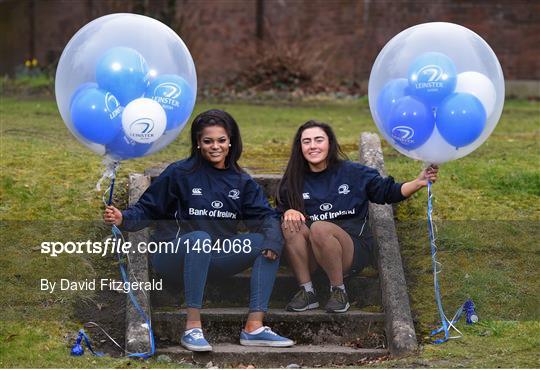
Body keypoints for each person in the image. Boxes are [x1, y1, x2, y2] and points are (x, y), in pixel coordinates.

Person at [104, 109, 294, 351]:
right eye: (208, 141)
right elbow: (148, 208)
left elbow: (265, 217)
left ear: (230, 141)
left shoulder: (241, 181)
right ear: (198, 143)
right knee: (200, 239)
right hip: (172, 255)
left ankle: (254, 327)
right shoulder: (179, 173)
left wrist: (273, 242)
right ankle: (192, 327)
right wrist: (123, 218)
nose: (215, 146)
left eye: (221, 140)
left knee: (265, 241)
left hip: (216, 256)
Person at [277, 120, 438, 313]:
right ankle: (307, 292)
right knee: (290, 225)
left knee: (320, 227)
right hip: (313, 255)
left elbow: (388, 192)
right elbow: (276, 214)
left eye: (318, 140)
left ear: (330, 143)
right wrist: (287, 211)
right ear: (300, 147)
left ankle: (339, 291)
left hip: (350, 250)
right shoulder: (294, 179)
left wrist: (418, 182)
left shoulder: (353, 173)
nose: (313, 146)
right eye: (307, 141)